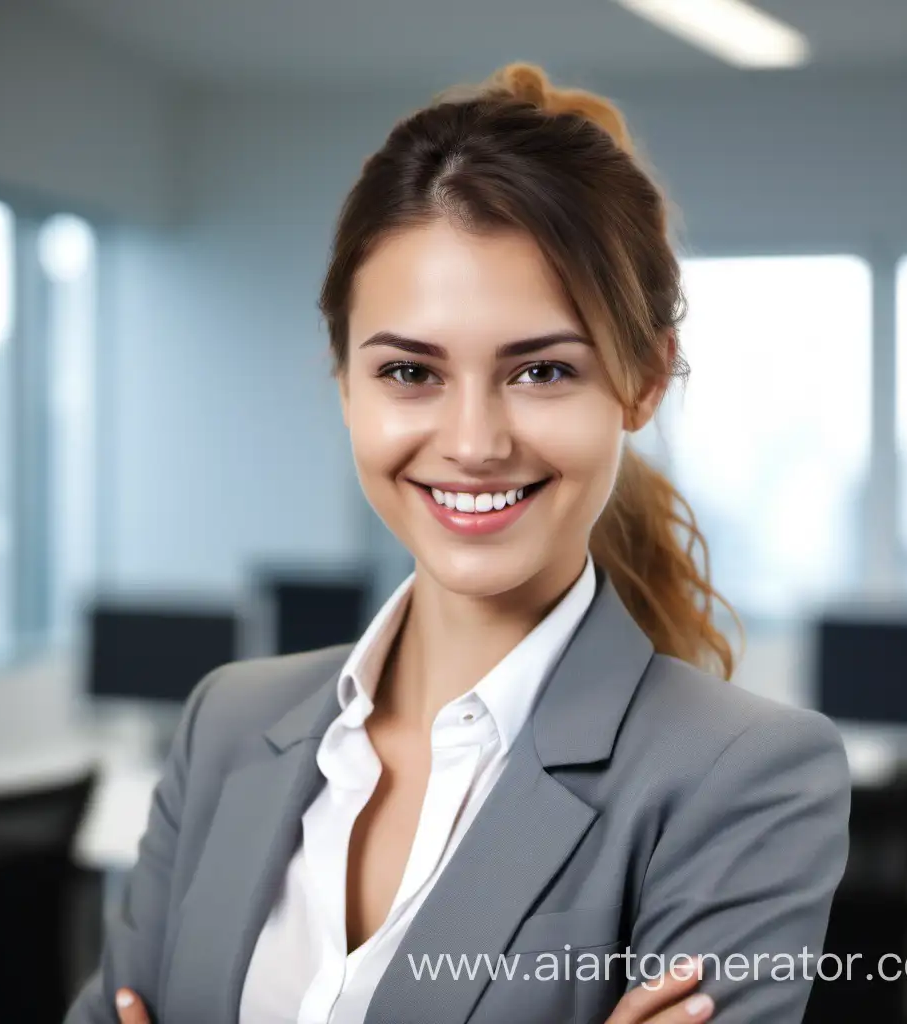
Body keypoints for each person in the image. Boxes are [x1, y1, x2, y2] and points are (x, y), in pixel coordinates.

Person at [66, 62, 851, 1024]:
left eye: (542, 372)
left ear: (643, 382)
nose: (475, 444)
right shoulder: (226, 725)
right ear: (344, 381)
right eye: (409, 370)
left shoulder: (743, 779)